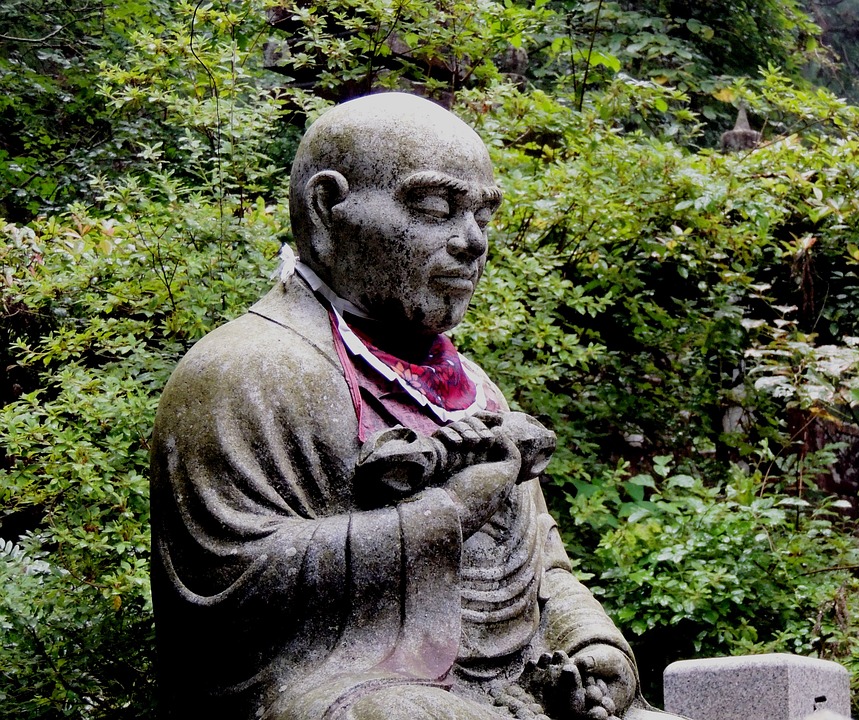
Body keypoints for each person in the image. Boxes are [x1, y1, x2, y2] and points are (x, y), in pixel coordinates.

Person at [150, 93, 654, 720]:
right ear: (327, 208)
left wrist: (590, 646)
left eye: (482, 217)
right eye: (437, 208)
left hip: (508, 681)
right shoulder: (248, 371)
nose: (470, 242)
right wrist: (447, 513)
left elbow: (542, 568)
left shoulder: (469, 385)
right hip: (332, 685)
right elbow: (228, 592)